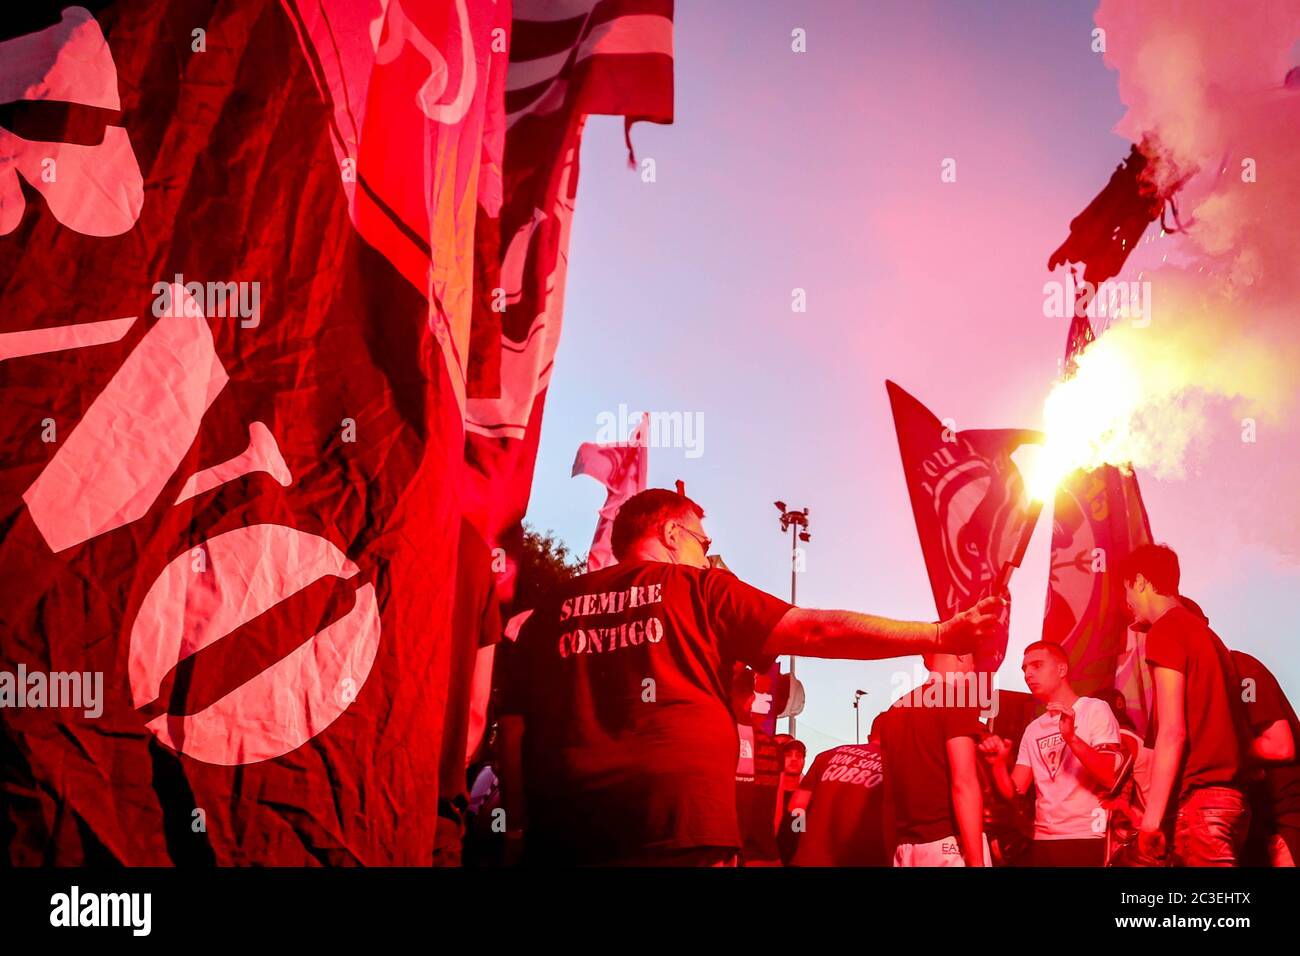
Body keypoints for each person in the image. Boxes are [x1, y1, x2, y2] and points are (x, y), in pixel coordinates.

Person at [496, 488, 1005, 866]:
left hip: (563, 830)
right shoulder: (701, 590)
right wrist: (939, 634)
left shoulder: (549, 610)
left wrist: (518, 823)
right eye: (702, 539)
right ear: (672, 535)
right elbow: (818, 631)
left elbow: (514, 731)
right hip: (681, 827)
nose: (706, 551)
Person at [1124, 544, 1250, 866]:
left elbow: (1172, 732)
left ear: (1139, 581)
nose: (1127, 603)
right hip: (1232, 800)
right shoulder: (1209, 637)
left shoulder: (1166, 630)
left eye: (1127, 591)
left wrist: (1150, 820)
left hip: (1200, 803)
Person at [980, 642, 1121, 866]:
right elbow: (1015, 792)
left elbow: (1110, 776)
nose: (1028, 674)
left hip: (1086, 836)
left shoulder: (1094, 709)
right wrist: (998, 765)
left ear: (1061, 669)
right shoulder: (1033, 729)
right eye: (1024, 669)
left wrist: (1071, 738)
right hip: (1044, 839)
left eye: (1036, 665)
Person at [880, 651, 991, 866]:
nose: (973, 669)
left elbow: (888, 798)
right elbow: (964, 784)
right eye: (973, 660)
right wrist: (977, 862)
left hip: (906, 849)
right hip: (950, 846)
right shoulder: (957, 697)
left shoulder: (895, 710)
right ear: (962, 656)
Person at [787, 714, 889, 867]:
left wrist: (800, 838)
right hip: (862, 858)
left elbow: (797, 806)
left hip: (809, 858)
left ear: (869, 736)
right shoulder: (895, 766)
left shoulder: (826, 756)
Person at [1230, 650, 1300, 866]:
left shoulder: (1240, 670)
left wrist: (1221, 748)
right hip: (1252, 822)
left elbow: (1281, 746)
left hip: (1282, 819)